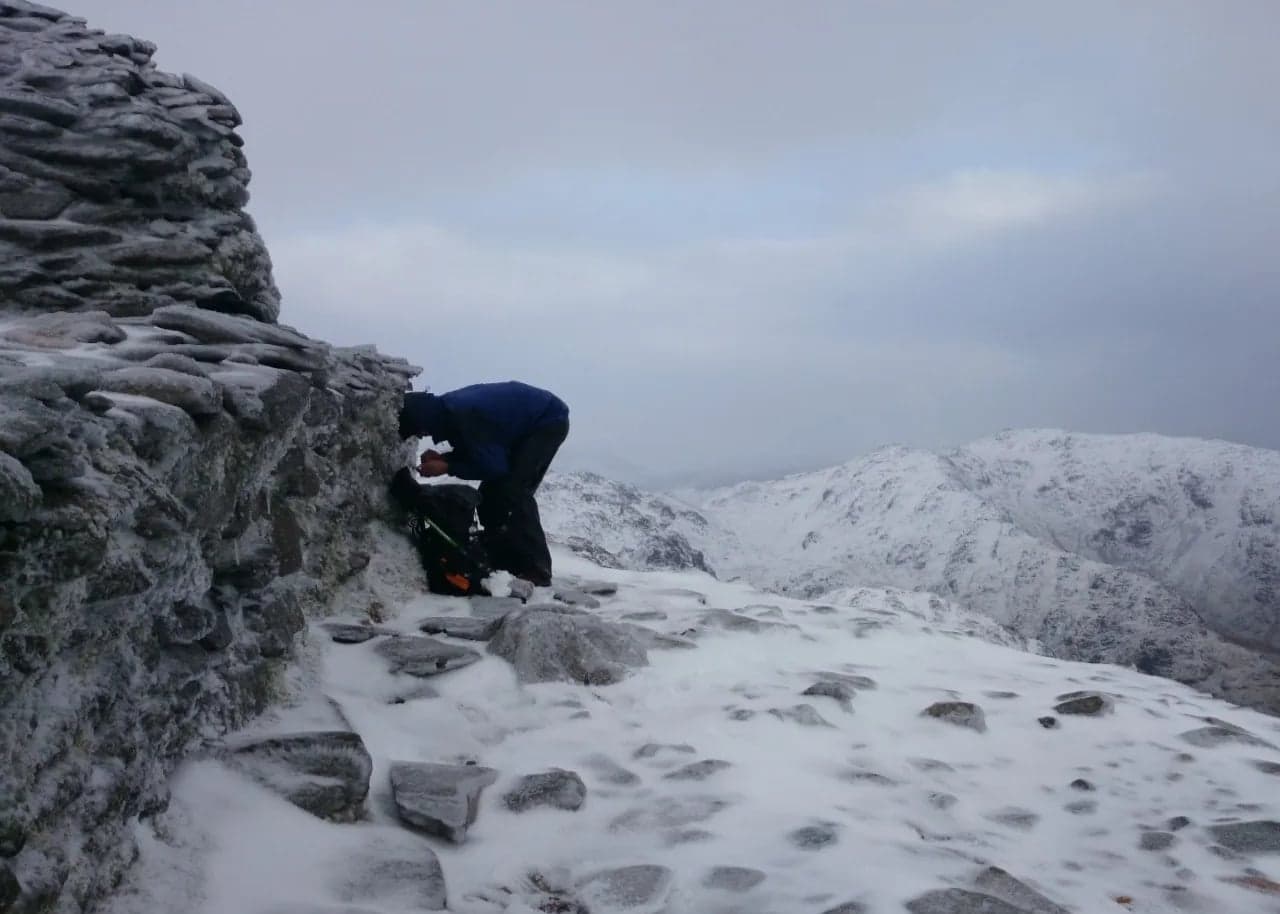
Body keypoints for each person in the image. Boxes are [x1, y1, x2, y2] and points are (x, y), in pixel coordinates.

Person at [398, 381, 569, 587]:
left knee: (511, 490)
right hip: (529, 421)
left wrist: (447, 466)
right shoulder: (450, 411)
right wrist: (445, 458)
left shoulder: (464, 416)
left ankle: (536, 568)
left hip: (547, 420)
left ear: (424, 421)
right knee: (491, 494)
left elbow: (493, 467)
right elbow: (481, 449)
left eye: (419, 431)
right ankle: (504, 558)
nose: (421, 436)